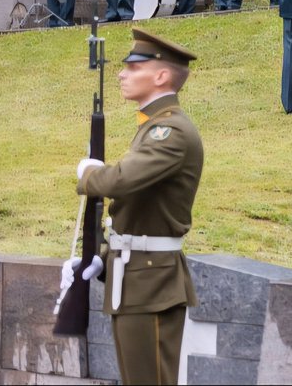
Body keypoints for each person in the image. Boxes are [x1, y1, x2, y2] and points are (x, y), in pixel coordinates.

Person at [72, 28, 203, 386]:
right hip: (136, 277)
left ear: (161, 76)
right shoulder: (152, 127)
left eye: (133, 66)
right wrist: (102, 255)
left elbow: (123, 180)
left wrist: (90, 175)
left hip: (152, 284)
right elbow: (139, 207)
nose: (121, 73)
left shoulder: (170, 131)